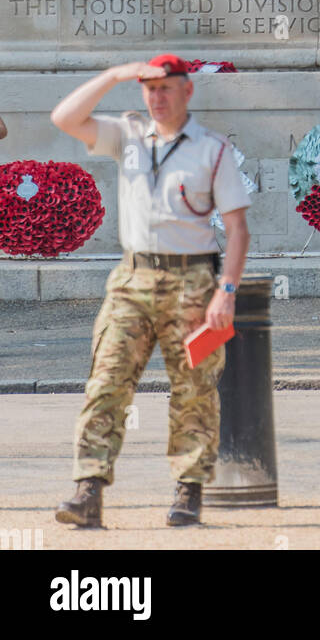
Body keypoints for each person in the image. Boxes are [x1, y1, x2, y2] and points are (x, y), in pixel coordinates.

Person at [50, 54, 251, 528]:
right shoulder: (128, 136)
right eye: (149, 89)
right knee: (107, 381)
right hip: (132, 280)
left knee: (195, 391)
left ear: (187, 91)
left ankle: (188, 490)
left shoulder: (212, 149)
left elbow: (239, 229)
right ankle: (88, 490)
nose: (157, 98)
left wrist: (227, 291)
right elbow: (64, 118)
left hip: (194, 282)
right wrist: (114, 75)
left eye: (166, 88)